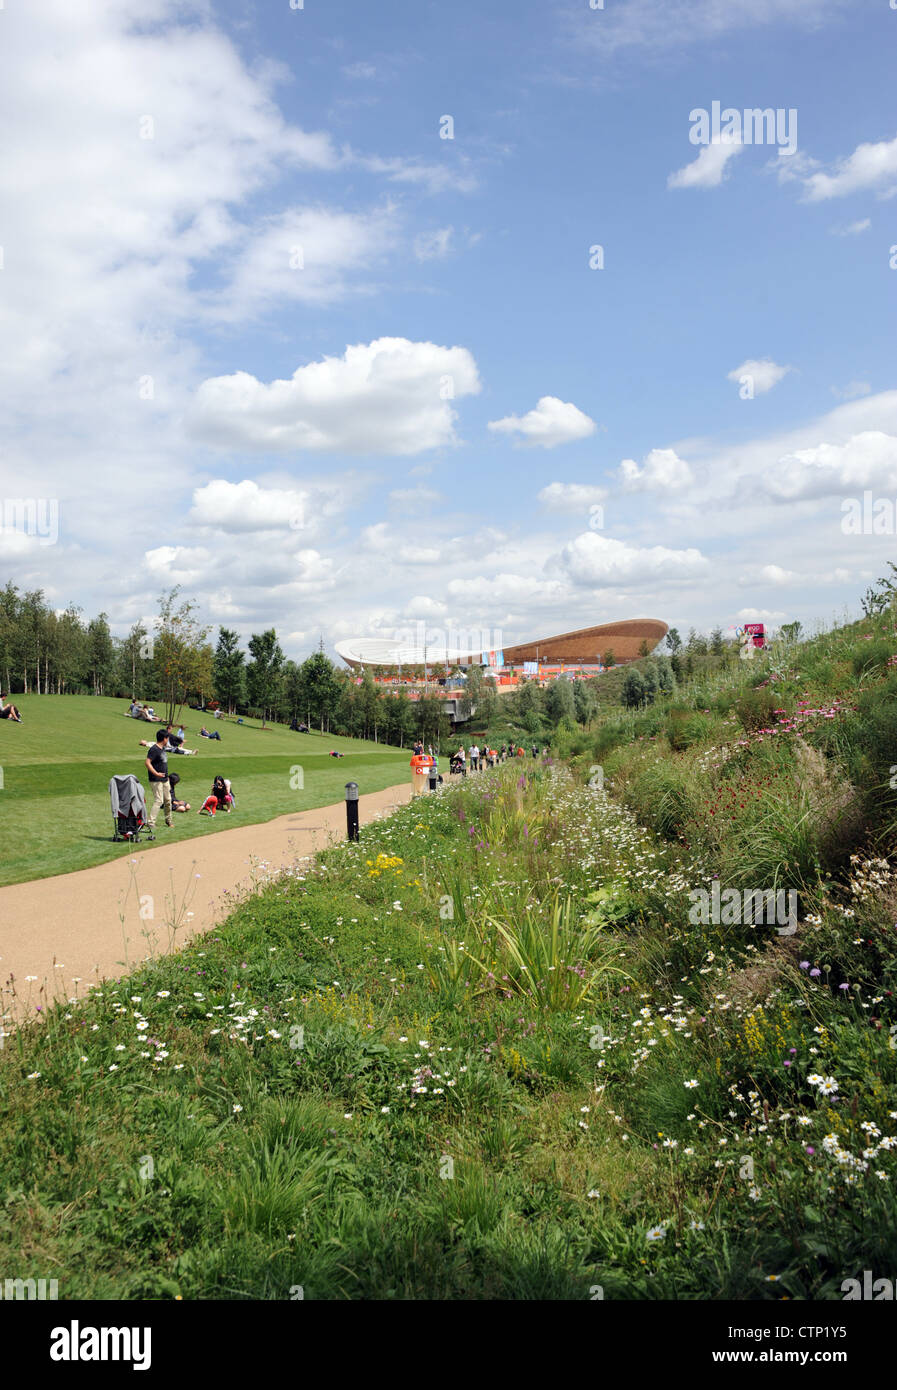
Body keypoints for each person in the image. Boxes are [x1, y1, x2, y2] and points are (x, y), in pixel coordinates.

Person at [145, 729, 173, 828]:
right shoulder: (154, 749)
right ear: (164, 739)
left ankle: (168, 821)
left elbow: (163, 764)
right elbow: (147, 762)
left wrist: (167, 777)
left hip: (165, 780)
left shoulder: (162, 749)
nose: (168, 740)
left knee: (168, 800)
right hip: (156, 780)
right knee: (159, 800)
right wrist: (156, 773)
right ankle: (151, 822)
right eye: (167, 738)